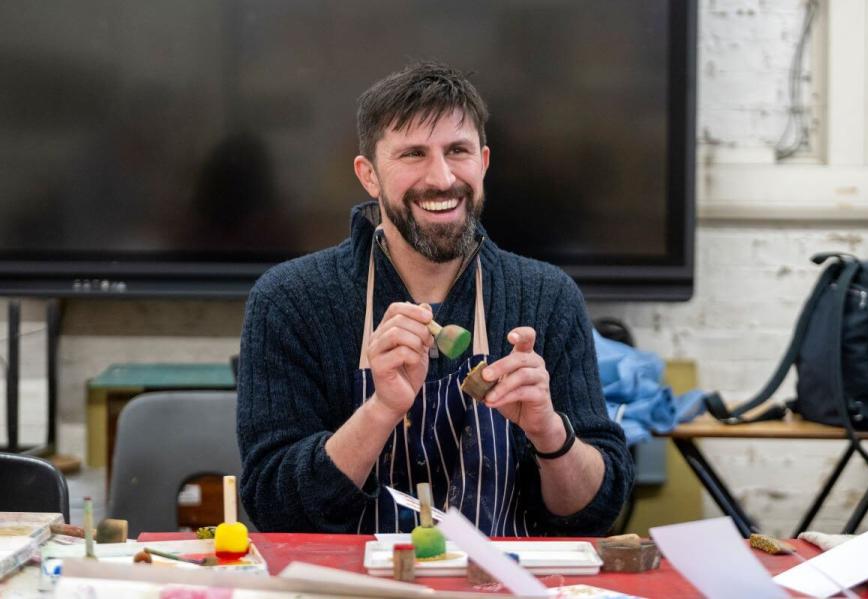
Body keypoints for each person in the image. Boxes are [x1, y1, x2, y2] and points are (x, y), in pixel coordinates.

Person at [237, 62, 633, 536]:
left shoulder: (548, 297)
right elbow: (273, 508)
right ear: (369, 175)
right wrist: (380, 411)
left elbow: (596, 512)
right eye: (413, 154)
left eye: (457, 151)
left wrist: (549, 431)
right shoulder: (290, 301)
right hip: (352, 587)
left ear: (483, 163)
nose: (442, 178)